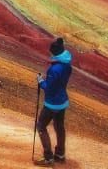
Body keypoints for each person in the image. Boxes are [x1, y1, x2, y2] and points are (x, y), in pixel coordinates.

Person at [34, 38, 73, 167]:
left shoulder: (54, 69)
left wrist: (40, 81)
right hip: (63, 101)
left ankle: (48, 158)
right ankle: (60, 155)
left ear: (54, 52)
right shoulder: (67, 65)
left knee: (41, 126)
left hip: (52, 103)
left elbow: (48, 87)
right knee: (59, 127)